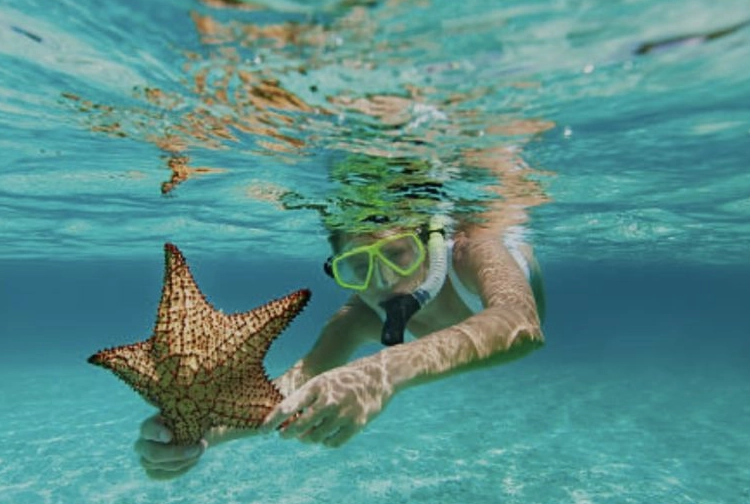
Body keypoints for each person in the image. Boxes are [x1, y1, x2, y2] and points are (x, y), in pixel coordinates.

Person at [135, 156, 548, 479]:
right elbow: (298, 381)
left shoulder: (471, 249)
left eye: (398, 254)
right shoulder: (360, 317)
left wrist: (379, 374)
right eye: (356, 267)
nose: (383, 282)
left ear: (432, 242)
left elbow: (520, 321)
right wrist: (198, 432)